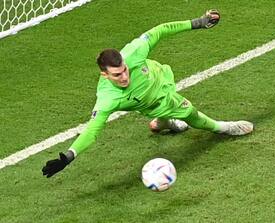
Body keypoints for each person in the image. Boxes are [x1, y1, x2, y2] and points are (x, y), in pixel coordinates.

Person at [42, 9, 253, 178]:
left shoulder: (134, 52)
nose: (124, 76)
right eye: (117, 75)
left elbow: (160, 30)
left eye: (124, 69)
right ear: (104, 75)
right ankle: (222, 128)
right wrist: (69, 156)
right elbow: (92, 131)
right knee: (191, 113)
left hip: (159, 78)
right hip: (151, 103)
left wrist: (198, 22)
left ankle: (164, 122)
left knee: (169, 105)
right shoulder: (106, 98)